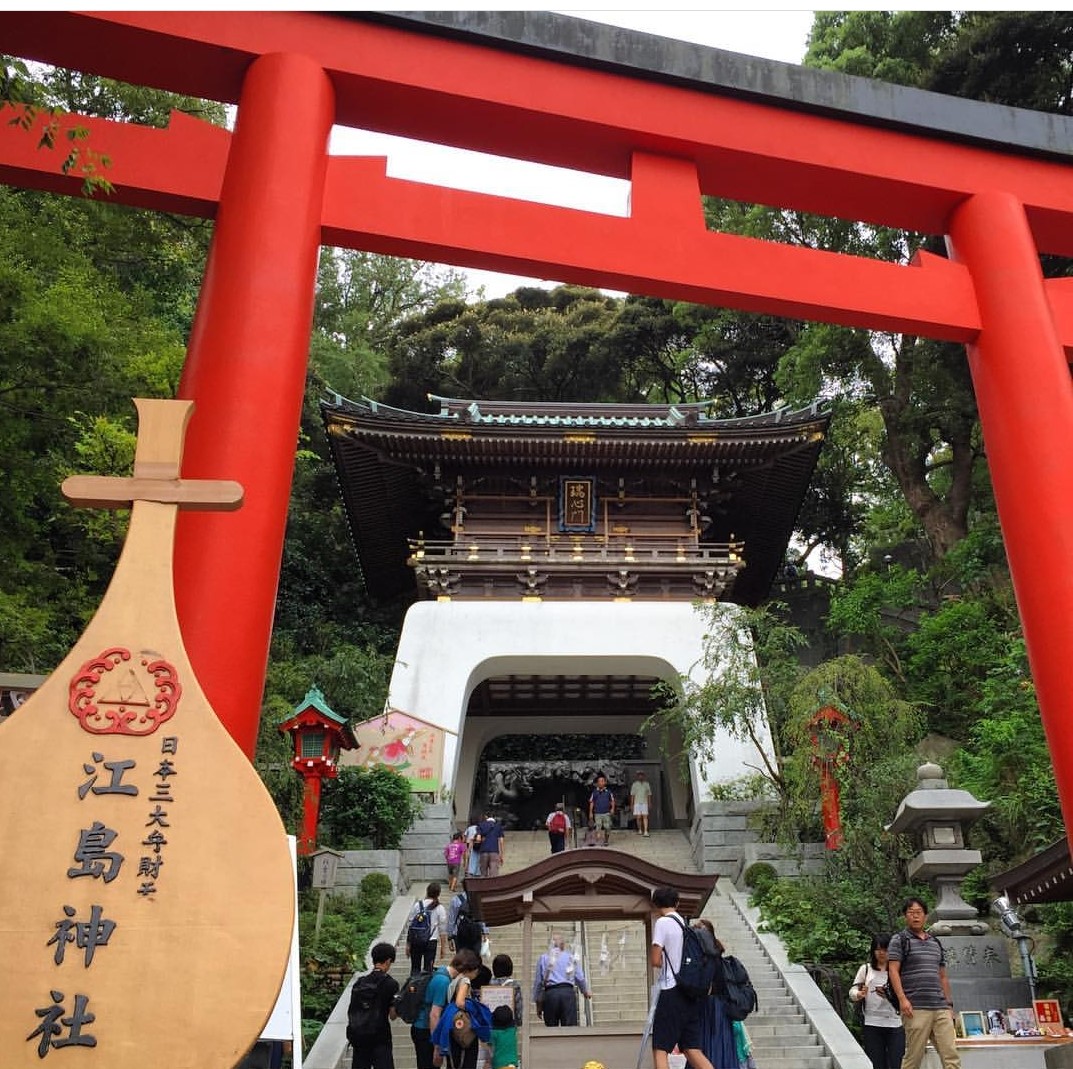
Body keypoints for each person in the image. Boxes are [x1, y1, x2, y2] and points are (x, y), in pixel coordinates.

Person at [887, 897, 961, 1069]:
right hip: (916, 1007)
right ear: (905, 916)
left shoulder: (935, 942)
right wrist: (902, 999)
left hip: (940, 1007)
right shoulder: (900, 940)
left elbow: (942, 976)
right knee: (914, 1056)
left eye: (919, 912)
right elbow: (893, 971)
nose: (915, 916)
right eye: (911, 913)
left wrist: (949, 1005)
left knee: (951, 1054)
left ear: (926, 916)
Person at [649, 886, 715, 1069]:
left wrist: (663, 960)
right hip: (690, 991)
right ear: (677, 903)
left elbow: (655, 960)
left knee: (660, 1048)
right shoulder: (685, 925)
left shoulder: (663, 923)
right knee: (691, 1048)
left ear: (655, 904)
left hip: (671, 990)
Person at [849, 933, 905, 1069]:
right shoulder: (866, 969)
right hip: (872, 1022)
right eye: (878, 949)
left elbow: (904, 994)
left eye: (885, 950)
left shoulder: (898, 970)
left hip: (895, 1022)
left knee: (896, 1061)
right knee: (877, 1063)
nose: (881, 953)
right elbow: (852, 991)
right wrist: (859, 994)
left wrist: (889, 995)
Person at [348, 942, 400, 1069]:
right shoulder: (391, 984)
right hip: (380, 1037)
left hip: (359, 1037)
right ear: (388, 961)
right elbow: (393, 1015)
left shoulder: (359, 983)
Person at [693, 919, 737, 1069]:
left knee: (706, 1046)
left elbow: (706, 986)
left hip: (710, 1008)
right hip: (719, 1008)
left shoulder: (708, 958)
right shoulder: (716, 956)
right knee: (719, 1046)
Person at [532, 932, 591, 1026]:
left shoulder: (543, 958)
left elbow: (538, 982)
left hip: (550, 994)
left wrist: (538, 1004)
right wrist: (585, 991)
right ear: (563, 945)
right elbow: (579, 976)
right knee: (569, 1029)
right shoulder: (570, 957)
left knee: (551, 1029)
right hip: (567, 993)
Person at [410, 958, 451, 1069]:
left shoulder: (437, 974)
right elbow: (434, 1015)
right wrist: (437, 1045)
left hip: (418, 1027)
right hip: (426, 1030)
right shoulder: (443, 981)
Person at [406, 882, 449, 974]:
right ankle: (425, 987)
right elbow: (442, 930)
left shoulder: (418, 905)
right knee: (428, 969)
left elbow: (411, 925)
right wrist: (443, 948)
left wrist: (408, 944)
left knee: (415, 968)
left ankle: (413, 987)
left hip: (416, 940)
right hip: (431, 941)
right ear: (438, 894)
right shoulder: (440, 908)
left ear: (427, 891)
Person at [489, 953, 524, 1027]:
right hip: (509, 1022)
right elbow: (518, 1005)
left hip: (492, 1023)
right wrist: (519, 1021)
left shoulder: (488, 984)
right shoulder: (514, 985)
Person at [486, 1004, 518, 1069]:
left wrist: (488, 1063)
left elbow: (490, 1051)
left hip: (499, 1064)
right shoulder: (513, 1030)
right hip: (512, 1064)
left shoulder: (493, 1034)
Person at [588, 773, 615, 846]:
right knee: (598, 827)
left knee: (607, 827)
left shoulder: (608, 792)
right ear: (597, 783)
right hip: (597, 813)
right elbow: (591, 802)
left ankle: (606, 840)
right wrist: (590, 812)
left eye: (602, 781)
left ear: (605, 782)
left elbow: (612, 801)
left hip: (606, 813)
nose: (601, 783)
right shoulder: (594, 792)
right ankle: (598, 840)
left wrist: (612, 808)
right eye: (599, 781)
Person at [477, 813, 505, 878]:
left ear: (486, 817)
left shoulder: (481, 825)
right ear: (494, 818)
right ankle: (492, 887)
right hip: (494, 851)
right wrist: (501, 855)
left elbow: (478, 839)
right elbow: (501, 841)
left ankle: (483, 886)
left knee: (483, 873)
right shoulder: (498, 826)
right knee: (493, 874)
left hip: (483, 851)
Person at [629, 770, 653, 836]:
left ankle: (645, 831)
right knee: (638, 817)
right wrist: (631, 804)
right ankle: (639, 829)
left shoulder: (647, 784)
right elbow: (632, 795)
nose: (640, 776)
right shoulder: (634, 784)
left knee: (645, 816)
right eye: (639, 775)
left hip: (645, 802)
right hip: (637, 802)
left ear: (643, 776)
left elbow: (649, 794)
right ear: (637, 776)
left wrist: (649, 803)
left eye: (642, 775)